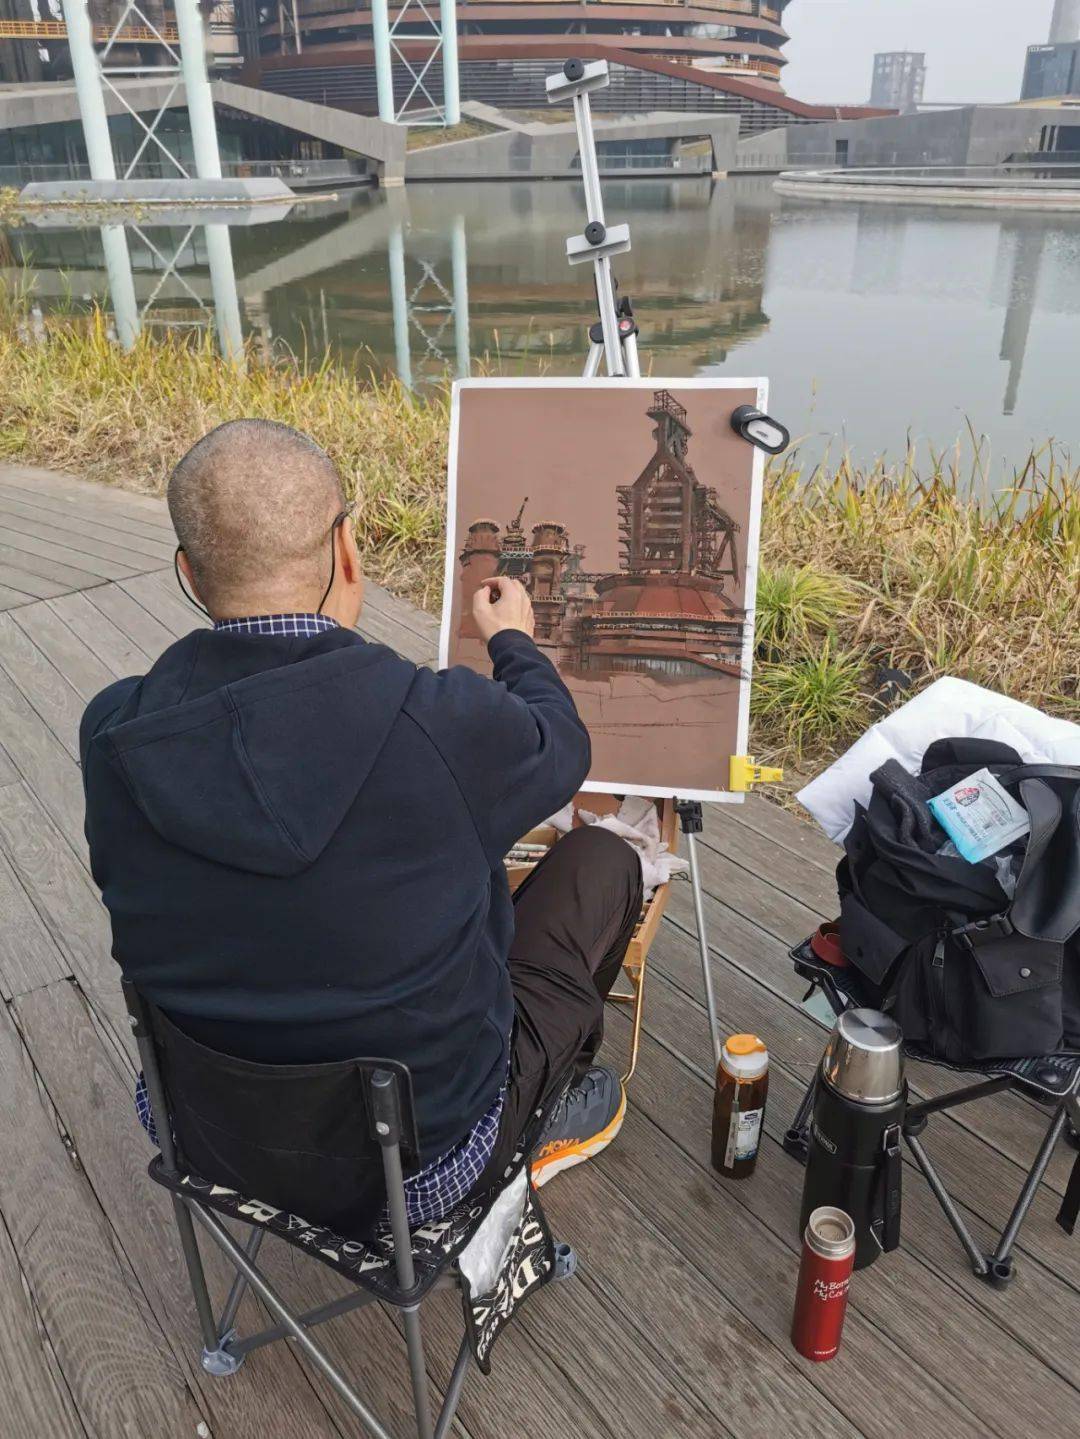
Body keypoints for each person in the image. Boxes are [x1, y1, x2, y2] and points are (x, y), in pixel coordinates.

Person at [80, 419, 643, 1228]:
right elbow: (562, 746)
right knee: (600, 862)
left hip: (208, 1135)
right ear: (348, 550)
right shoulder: (441, 725)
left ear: (190, 575)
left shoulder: (112, 731)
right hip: (424, 1161)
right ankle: (539, 1111)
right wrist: (513, 639)